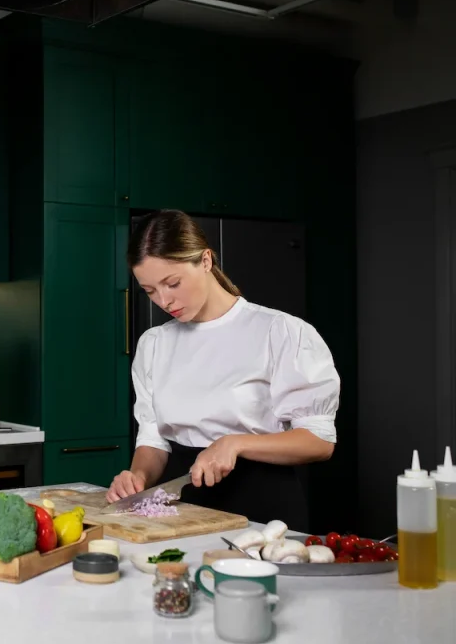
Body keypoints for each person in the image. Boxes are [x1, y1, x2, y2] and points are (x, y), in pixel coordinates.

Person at [106, 210, 339, 530]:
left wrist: (236, 443)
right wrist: (138, 476)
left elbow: (320, 441)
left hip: (264, 513)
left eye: (172, 283)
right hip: (184, 509)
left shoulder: (279, 331)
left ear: (205, 260)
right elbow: (154, 440)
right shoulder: (155, 344)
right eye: (149, 291)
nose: (163, 300)